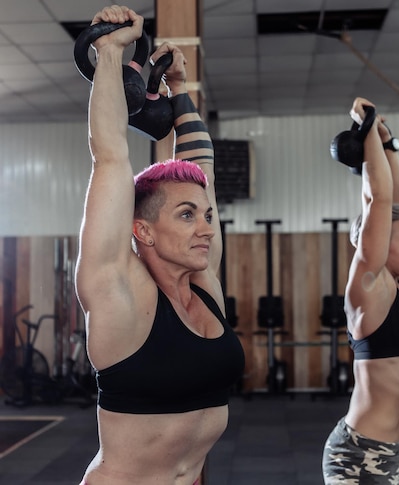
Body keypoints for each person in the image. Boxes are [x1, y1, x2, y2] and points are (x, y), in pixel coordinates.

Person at [74, 5, 244, 485]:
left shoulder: (204, 282)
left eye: (207, 216)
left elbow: (201, 173)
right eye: (187, 216)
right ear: (143, 231)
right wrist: (109, 52)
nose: (207, 228)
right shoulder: (116, 291)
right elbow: (109, 156)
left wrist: (180, 91)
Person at [322, 97, 399, 484]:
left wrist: (388, 143)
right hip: (358, 455)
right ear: (380, 242)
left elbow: (398, 202)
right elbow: (379, 201)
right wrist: (367, 130)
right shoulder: (370, 285)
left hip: (392, 452)